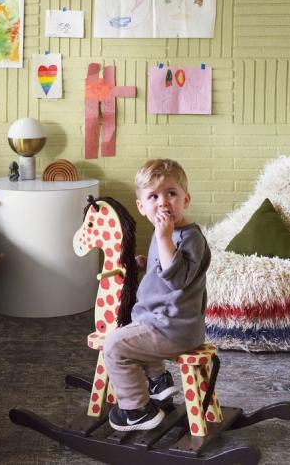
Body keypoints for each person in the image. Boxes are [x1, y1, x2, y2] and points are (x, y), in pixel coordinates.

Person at [103, 158, 211, 432]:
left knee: (115, 345)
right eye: (153, 196)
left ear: (186, 199)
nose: (163, 202)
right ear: (141, 207)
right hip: (165, 322)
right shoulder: (166, 232)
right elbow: (163, 270)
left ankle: (137, 409)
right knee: (136, 327)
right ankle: (158, 381)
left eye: (171, 194)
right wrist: (145, 265)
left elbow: (176, 279)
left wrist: (163, 239)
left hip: (173, 329)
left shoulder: (189, 238)